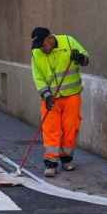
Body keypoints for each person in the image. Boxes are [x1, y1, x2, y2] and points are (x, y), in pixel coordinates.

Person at [30, 26, 90, 178]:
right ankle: (51, 163)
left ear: (50, 38)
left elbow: (86, 59)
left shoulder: (68, 42)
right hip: (50, 98)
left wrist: (80, 58)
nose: (42, 49)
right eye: (38, 47)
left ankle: (66, 159)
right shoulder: (36, 53)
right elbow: (38, 77)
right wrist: (47, 95)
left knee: (71, 128)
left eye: (43, 45)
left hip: (71, 95)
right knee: (50, 129)